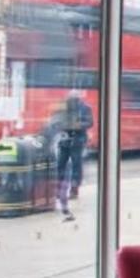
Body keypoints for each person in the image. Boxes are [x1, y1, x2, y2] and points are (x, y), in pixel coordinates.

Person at [50, 91, 92, 221]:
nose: (72, 101)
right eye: (70, 99)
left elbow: (89, 122)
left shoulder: (85, 108)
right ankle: (59, 188)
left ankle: (74, 188)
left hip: (78, 138)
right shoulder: (63, 108)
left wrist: (79, 125)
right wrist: (60, 126)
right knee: (61, 164)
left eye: (74, 99)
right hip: (65, 139)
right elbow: (55, 120)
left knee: (76, 163)